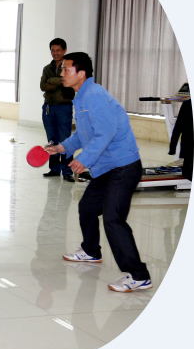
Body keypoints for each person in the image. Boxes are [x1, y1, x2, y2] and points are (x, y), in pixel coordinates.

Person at [46, 52, 152, 292]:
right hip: (107, 168)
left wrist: (84, 159)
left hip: (123, 167)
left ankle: (139, 275)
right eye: (61, 70)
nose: (62, 74)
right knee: (87, 207)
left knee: (113, 219)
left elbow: (107, 132)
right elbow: (83, 134)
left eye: (66, 70)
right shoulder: (82, 96)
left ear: (81, 73)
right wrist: (62, 147)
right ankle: (91, 251)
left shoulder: (94, 95)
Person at [40, 38, 76, 182]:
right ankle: (54, 169)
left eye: (58, 50)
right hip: (49, 107)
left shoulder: (69, 67)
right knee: (52, 140)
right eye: (53, 50)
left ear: (64, 50)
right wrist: (59, 82)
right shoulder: (47, 68)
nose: (55, 53)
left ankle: (67, 171)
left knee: (65, 140)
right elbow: (43, 86)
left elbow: (67, 82)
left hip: (64, 107)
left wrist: (51, 80)